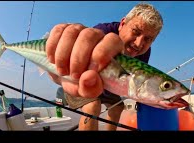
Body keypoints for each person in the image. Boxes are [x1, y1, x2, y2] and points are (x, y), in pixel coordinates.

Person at [46, 2, 163, 130]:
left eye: (148, 39)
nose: (138, 43)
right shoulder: (102, 32)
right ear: (123, 23)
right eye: (136, 32)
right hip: (81, 79)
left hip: (108, 84)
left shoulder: (144, 52)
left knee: (118, 108)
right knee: (92, 106)